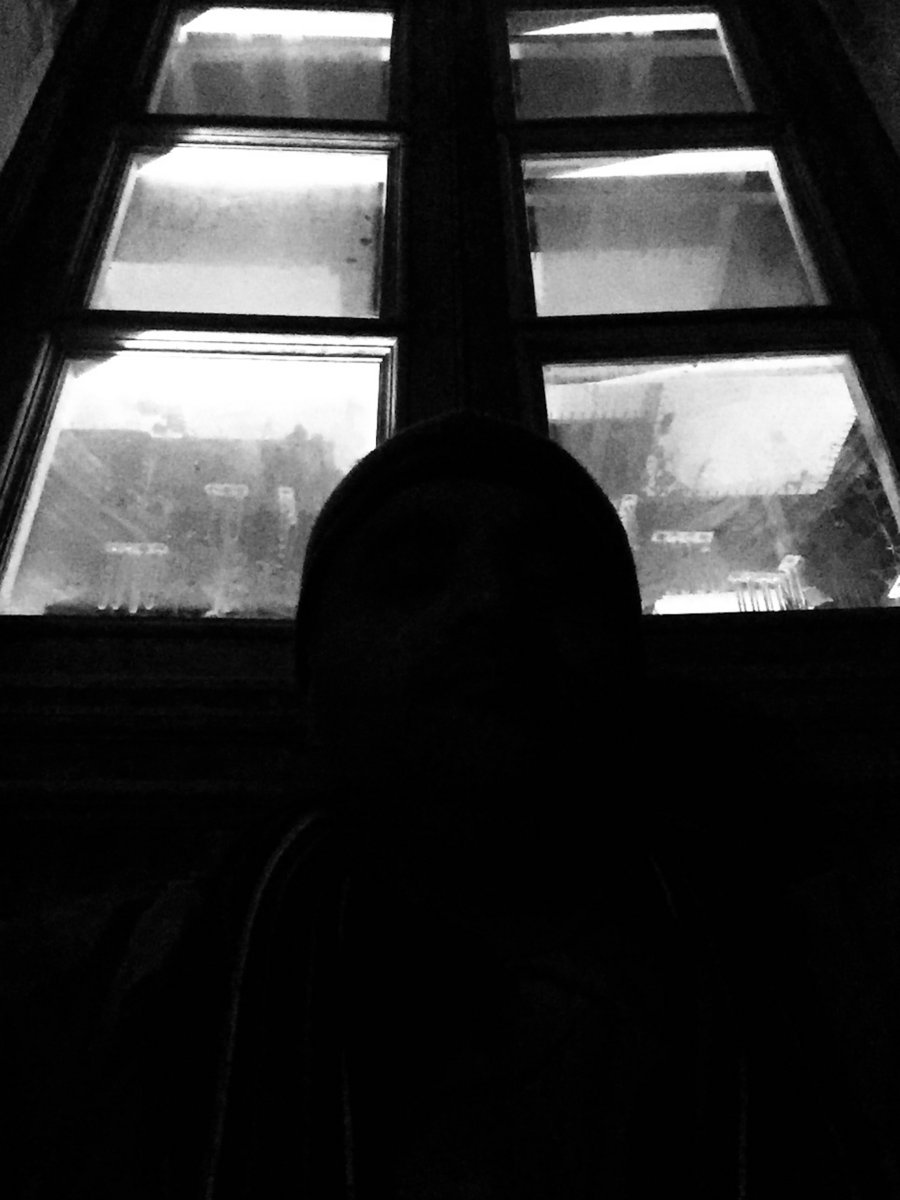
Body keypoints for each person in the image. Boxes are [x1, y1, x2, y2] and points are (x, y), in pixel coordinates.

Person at [27, 409, 889, 1198]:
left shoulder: (850, 980)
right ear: (310, 677)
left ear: (628, 665)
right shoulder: (80, 994)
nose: (490, 603)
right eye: (409, 577)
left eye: (553, 576)